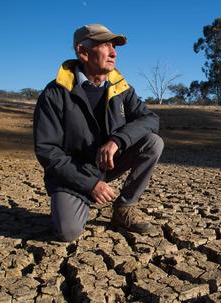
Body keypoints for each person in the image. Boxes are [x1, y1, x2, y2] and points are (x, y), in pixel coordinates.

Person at [33, 23, 163, 241]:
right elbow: (47, 151)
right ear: (83, 52)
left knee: (153, 142)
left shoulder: (121, 88)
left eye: (114, 47)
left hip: (108, 163)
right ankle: (77, 200)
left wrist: (118, 140)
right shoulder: (55, 94)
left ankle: (124, 208)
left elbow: (150, 119)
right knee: (68, 232)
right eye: (105, 46)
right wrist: (89, 184)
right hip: (74, 173)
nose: (113, 53)